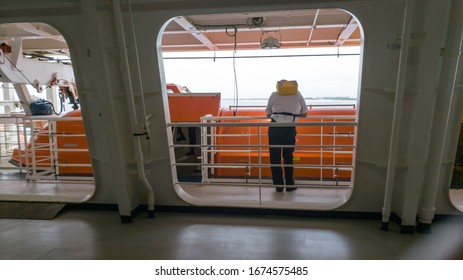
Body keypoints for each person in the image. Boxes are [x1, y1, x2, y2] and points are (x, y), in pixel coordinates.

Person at [265, 80, 308, 192]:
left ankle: (278, 186)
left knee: (275, 157)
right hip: (289, 128)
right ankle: (289, 184)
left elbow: (268, 113)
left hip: (274, 128)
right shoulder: (297, 94)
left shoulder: (274, 95)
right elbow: (304, 113)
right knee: (288, 156)